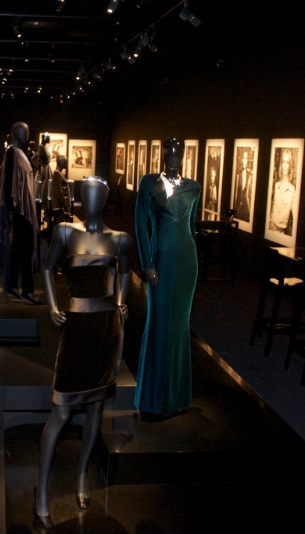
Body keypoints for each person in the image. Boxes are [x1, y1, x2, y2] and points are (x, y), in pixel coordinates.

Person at [34, 176, 130, 530]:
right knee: (61, 411)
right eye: (84, 194)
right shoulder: (64, 232)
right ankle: (42, 492)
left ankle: (81, 476)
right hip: (75, 329)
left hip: (105, 330)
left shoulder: (119, 239)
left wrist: (121, 302)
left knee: (96, 409)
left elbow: (125, 273)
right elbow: (47, 268)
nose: (88, 200)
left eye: (95, 195)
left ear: (103, 200)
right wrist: (51, 306)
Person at [134, 137, 200, 418]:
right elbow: (140, 223)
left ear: (184, 155)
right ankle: (154, 399)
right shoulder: (148, 183)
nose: (173, 156)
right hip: (159, 260)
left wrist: (195, 264)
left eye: (178, 151)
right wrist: (146, 263)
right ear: (162, 153)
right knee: (159, 323)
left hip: (186, 263)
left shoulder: (193, 187)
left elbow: (191, 228)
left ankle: (178, 397)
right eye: (169, 151)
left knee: (180, 327)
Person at [0, 122, 40, 304]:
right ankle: (27, 290)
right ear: (14, 132)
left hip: (23, 208)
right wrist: (11, 209)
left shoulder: (20, 152)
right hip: (20, 209)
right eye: (22, 130)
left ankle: (13, 285)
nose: (26, 132)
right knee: (27, 248)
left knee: (17, 247)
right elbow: (7, 181)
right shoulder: (11, 153)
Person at [269, 148, 297, 234]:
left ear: (290, 166)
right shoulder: (276, 185)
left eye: (287, 163)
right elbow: (272, 208)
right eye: (283, 162)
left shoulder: (292, 190)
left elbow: (295, 215)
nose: (285, 165)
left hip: (281, 232)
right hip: (271, 227)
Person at [233, 149, 252, 222]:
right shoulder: (238, 173)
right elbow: (235, 192)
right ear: (241, 159)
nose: (245, 160)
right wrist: (234, 208)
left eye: (246, 158)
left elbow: (247, 194)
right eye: (244, 158)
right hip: (238, 202)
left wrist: (249, 208)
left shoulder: (249, 174)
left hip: (245, 203)